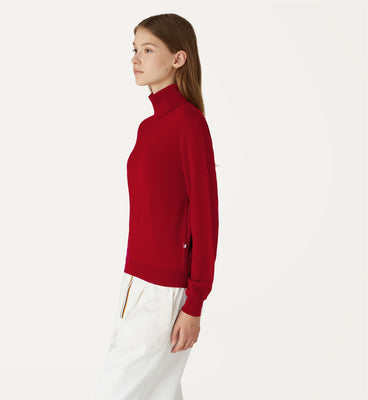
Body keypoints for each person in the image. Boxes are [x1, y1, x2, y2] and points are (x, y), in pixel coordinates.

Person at [94, 13, 219, 400]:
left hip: (165, 289)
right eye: (134, 49)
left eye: (148, 50)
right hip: (136, 281)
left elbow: (205, 217)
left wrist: (194, 303)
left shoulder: (189, 124)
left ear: (178, 58)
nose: (136, 59)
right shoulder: (149, 127)